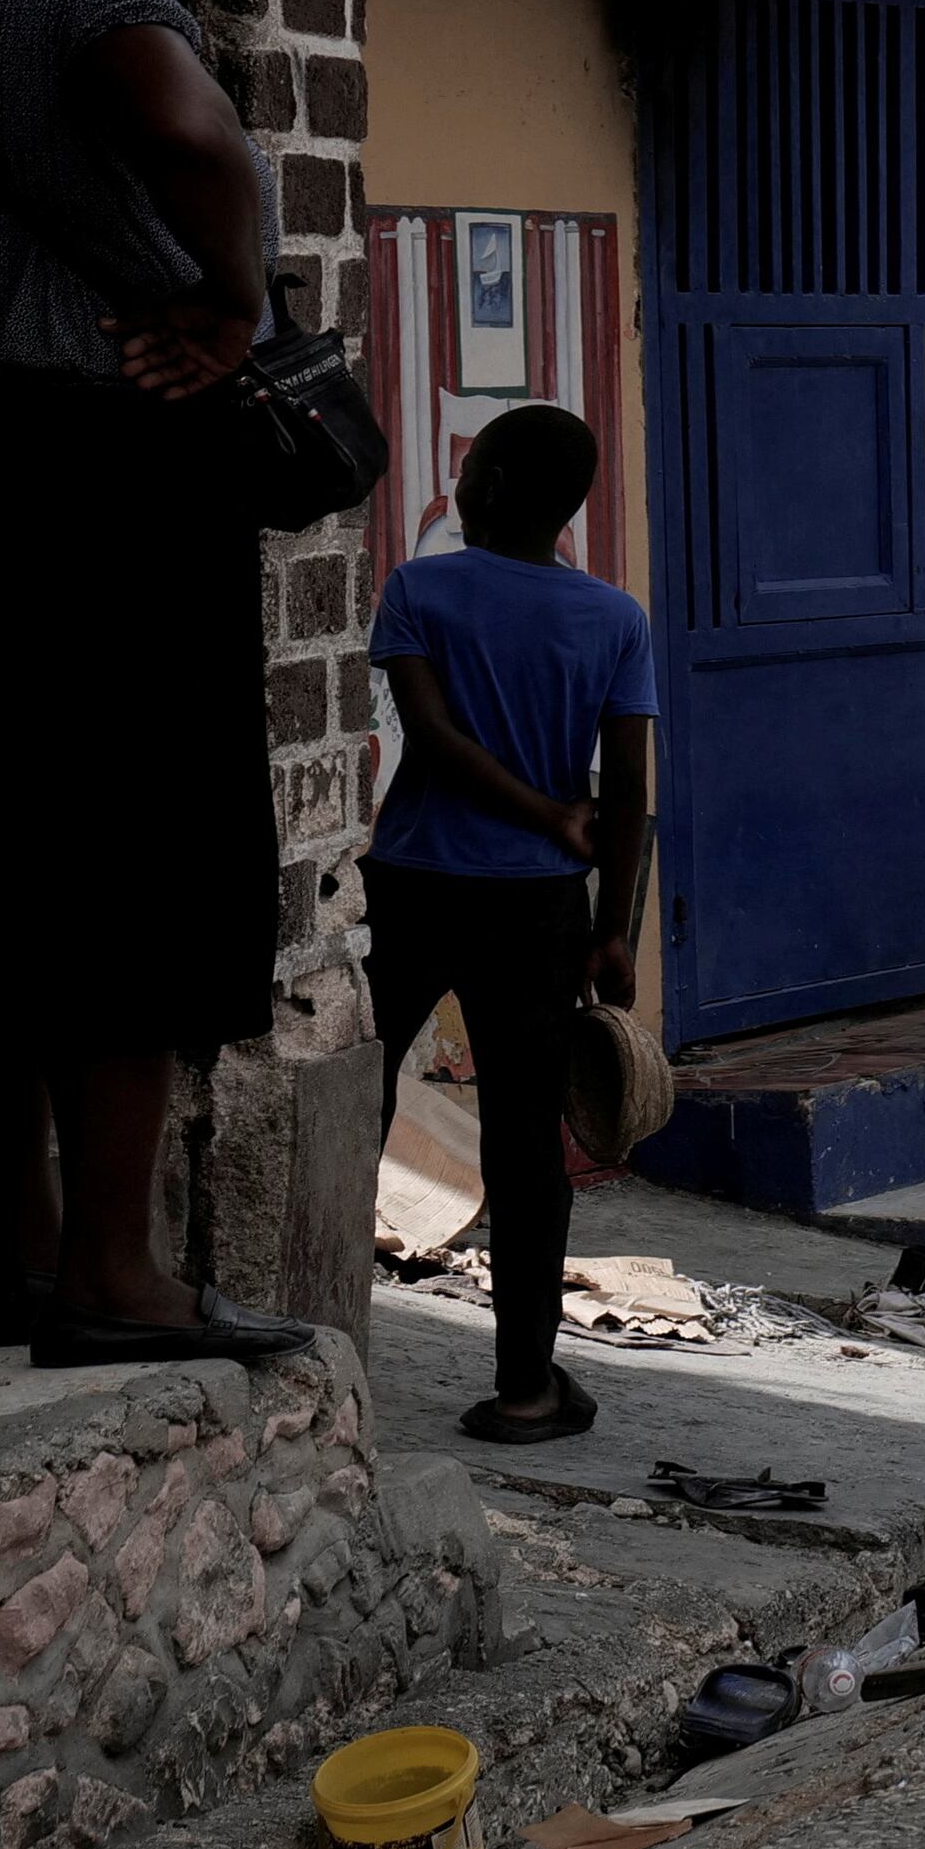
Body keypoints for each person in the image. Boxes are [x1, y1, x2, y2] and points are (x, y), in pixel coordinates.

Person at [0, 0, 317, 1369]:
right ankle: (118, 1270)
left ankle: (26, 1250)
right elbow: (190, 134)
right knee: (133, 871)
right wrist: (232, 306)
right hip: (101, 461)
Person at [362, 405, 657, 1444]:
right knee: (525, 1144)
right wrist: (612, 926)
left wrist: (541, 817)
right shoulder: (613, 618)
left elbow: (432, 737)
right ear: (569, 509)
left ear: (474, 487)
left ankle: (324, 1361)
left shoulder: (420, 588)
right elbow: (627, 785)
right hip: (540, 905)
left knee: (357, 1108)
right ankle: (527, 1384)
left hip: (409, 885)